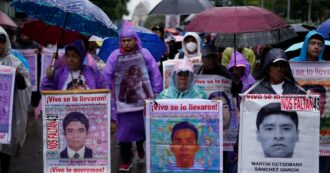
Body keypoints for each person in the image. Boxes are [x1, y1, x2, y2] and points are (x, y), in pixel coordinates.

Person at [103, 22, 162, 172]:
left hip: (143, 100)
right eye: (123, 40)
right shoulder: (114, 56)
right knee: (124, 132)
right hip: (122, 103)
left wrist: (156, 93)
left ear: (135, 40)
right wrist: (109, 94)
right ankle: (126, 160)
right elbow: (107, 76)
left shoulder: (145, 54)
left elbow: (155, 74)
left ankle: (140, 144)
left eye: (129, 40)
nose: (126, 43)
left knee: (141, 128)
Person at [0, 26, 31, 173]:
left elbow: (24, 88)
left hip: (6, 114)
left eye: (1, 41)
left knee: (4, 151)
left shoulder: (14, 62)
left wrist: (18, 76)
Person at [41, 39, 107, 90]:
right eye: (67, 56)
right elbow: (46, 93)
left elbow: (104, 91)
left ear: (81, 57)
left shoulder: (93, 73)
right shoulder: (59, 74)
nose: (70, 59)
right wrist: (49, 78)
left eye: (74, 56)